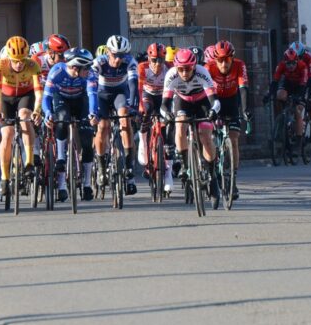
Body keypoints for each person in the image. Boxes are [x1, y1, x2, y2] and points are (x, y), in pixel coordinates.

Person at [160, 48, 221, 206]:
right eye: (181, 69)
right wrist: (167, 115)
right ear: (176, 68)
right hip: (183, 101)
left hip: (202, 102)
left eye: (188, 69)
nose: (185, 72)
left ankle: (212, 175)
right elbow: (164, 105)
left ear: (194, 66)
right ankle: (186, 166)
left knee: (205, 134)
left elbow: (215, 101)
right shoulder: (171, 75)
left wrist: (214, 111)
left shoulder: (202, 72)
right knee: (180, 126)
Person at [43, 48, 98, 202]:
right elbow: (46, 98)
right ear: (75, 67)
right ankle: (61, 163)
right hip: (62, 99)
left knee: (87, 142)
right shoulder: (56, 72)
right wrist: (48, 113)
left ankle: (87, 184)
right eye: (86, 67)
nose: (89, 70)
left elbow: (92, 95)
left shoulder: (90, 75)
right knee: (61, 119)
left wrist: (93, 113)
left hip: (81, 101)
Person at [0, 35, 43, 199]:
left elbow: (38, 92)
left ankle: (29, 162)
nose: (19, 64)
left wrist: (37, 110)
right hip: (5, 98)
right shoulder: (1, 64)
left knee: (25, 117)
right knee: (7, 135)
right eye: (15, 60)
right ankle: (5, 179)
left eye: (22, 60)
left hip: (25, 96)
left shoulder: (33, 65)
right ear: (9, 58)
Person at [93, 34, 139, 195]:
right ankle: (101, 166)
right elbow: (90, 85)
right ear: (108, 52)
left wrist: (134, 107)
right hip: (102, 95)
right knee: (103, 126)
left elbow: (133, 85)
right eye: (115, 55)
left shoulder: (130, 62)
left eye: (122, 56)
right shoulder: (99, 62)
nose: (118, 60)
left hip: (120, 93)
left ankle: (129, 169)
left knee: (125, 120)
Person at [206, 40, 249, 200]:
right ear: (215, 60)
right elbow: (206, 92)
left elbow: (243, 88)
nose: (224, 64)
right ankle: (212, 168)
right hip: (214, 100)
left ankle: (233, 180)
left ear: (232, 58)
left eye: (227, 60)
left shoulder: (239, 65)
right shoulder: (208, 68)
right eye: (220, 60)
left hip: (232, 100)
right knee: (209, 135)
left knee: (234, 138)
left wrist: (245, 110)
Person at [137, 43, 174, 195]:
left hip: (164, 97)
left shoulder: (170, 67)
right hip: (148, 95)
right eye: (154, 60)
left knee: (169, 125)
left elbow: (176, 89)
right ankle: (143, 142)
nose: (157, 64)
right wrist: (140, 107)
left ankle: (169, 174)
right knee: (146, 112)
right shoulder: (142, 67)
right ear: (148, 58)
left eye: (160, 60)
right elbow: (139, 90)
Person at [263, 48, 309, 161]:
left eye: (293, 63)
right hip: (288, 83)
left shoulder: (303, 66)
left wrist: (299, 97)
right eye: (288, 63)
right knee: (279, 95)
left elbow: (303, 84)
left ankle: (298, 142)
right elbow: (274, 83)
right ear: (285, 62)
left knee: (298, 111)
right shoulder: (281, 66)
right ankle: (282, 118)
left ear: (297, 61)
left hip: (300, 86)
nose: (291, 66)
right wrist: (269, 95)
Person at [290, 41, 311, 143]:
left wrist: (309, 96)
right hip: (302, 76)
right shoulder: (290, 55)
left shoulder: (309, 59)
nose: (297, 59)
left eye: (299, 57)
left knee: (308, 101)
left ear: (303, 53)